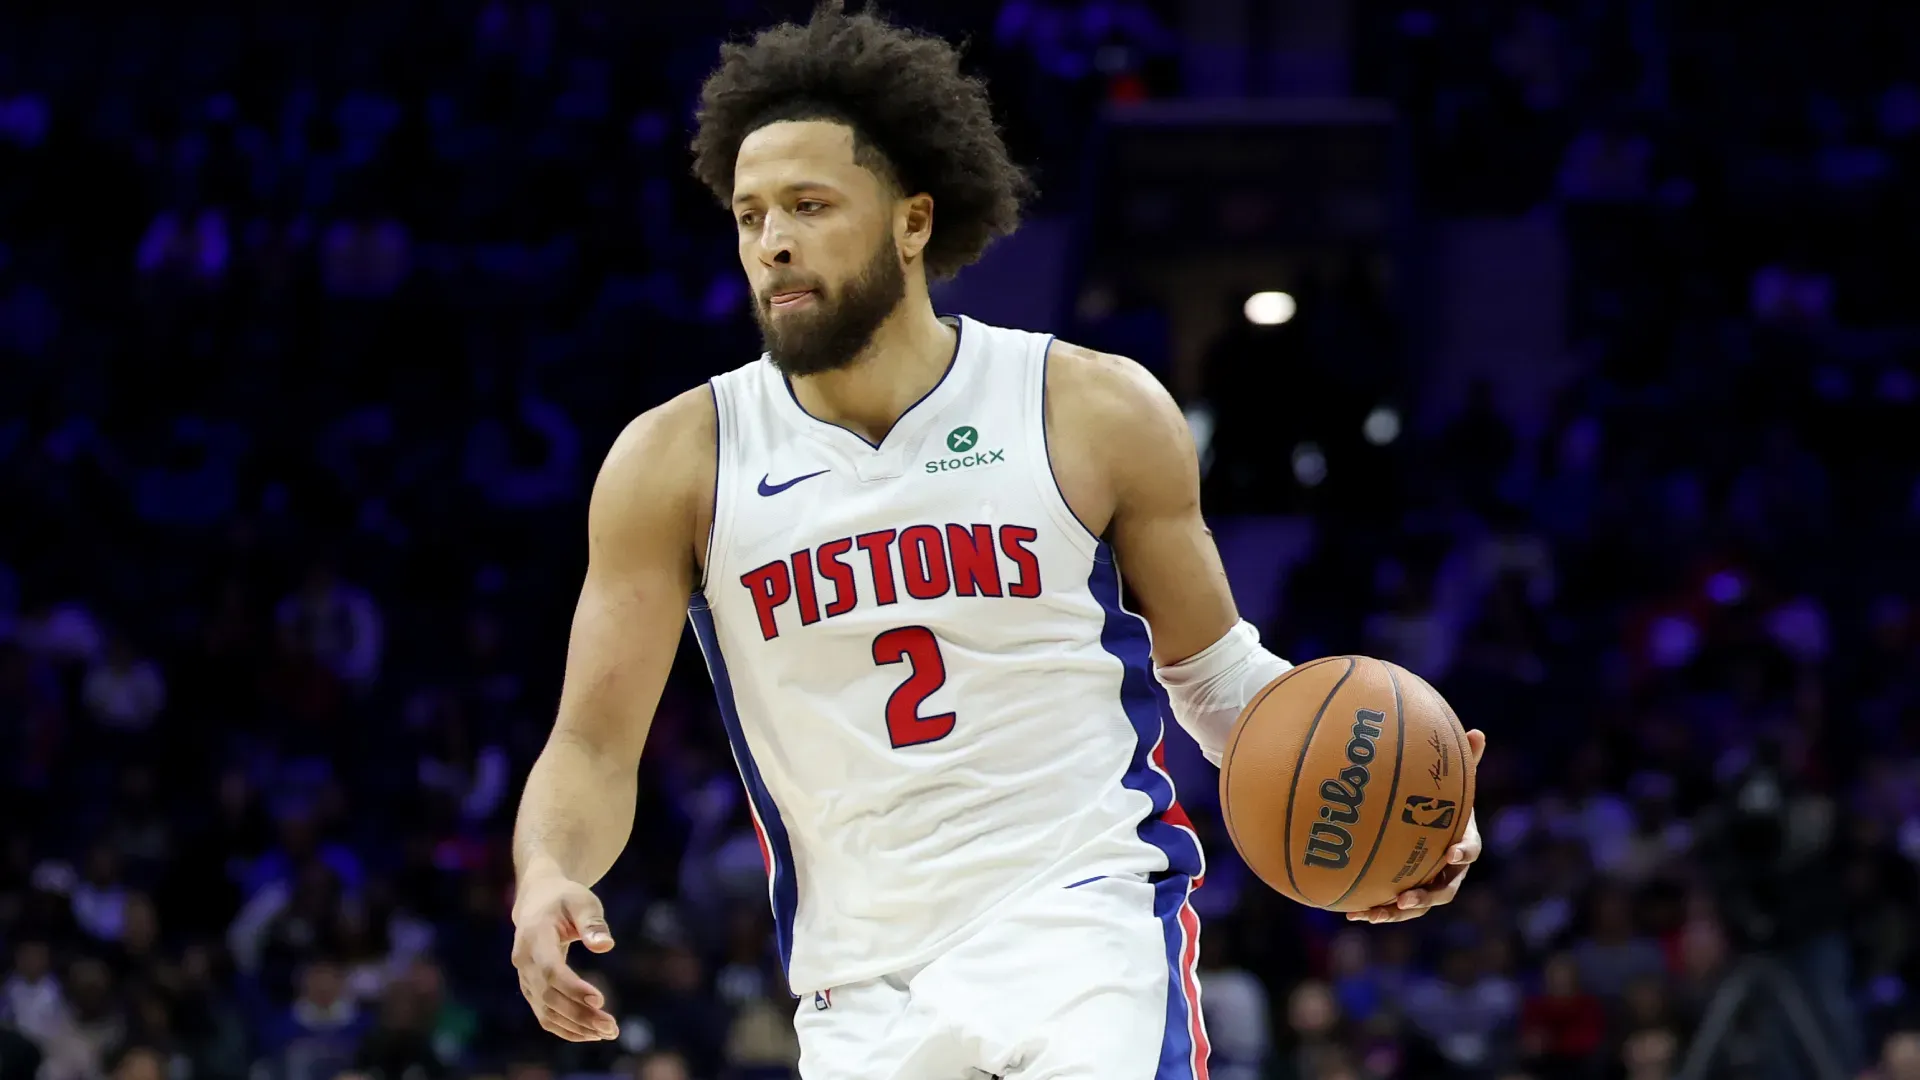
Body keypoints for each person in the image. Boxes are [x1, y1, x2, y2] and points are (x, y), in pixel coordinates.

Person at [508, 4, 1487, 1078]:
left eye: (809, 204)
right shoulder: (678, 461)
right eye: (748, 215)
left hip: (1080, 937)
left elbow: (1209, 675)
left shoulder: (1087, 407)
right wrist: (547, 871)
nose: (771, 240)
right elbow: (594, 745)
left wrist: (1393, 798)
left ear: (913, 221)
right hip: (860, 984)